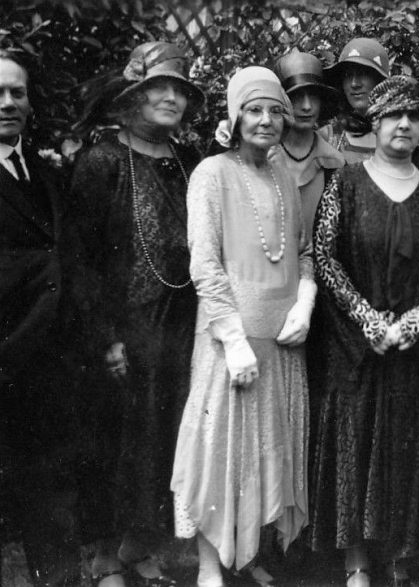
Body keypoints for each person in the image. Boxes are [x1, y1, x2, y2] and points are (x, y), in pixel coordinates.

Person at [307, 75, 419, 587]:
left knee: (408, 448)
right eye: (393, 115)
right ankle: (356, 561)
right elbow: (326, 258)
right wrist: (368, 320)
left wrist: (416, 321)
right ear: (374, 124)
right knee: (355, 445)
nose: (403, 124)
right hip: (356, 346)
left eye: (414, 116)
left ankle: (400, 554)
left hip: (416, 347)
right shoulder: (346, 184)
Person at [170, 66, 315, 587]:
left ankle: (248, 554)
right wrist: (233, 341)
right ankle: (210, 566)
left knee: (266, 453)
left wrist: (305, 303)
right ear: (234, 116)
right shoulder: (211, 173)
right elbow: (204, 264)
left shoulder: (284, 177)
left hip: (283, 343)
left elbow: (303, 253)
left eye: (276, 111)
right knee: (221, 452)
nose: (266, 120)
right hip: (230, 341)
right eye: (254, 110)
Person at [68, 41, 205, 587]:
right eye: (158, 88)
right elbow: (81, 260)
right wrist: (105, 337)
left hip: (180, 322)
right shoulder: (101, 161)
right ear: (132, 96)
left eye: (180, 91)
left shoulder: (190, 161)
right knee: (115, 438)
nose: (171, 98)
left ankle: (140, 545)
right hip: (125, 326)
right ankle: (104, 555)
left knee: (166, 435)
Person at [0, 49, 76, 585]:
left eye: (17, 93)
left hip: (48, 357)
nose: (7, 103)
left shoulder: (46, 173)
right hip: (4, 351)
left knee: (50, 490)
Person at [271, 50, 346, 240]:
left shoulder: (334, 163)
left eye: (313, 96)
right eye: (296, 96)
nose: (306, 106)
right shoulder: (262, 157)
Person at [322, 38, 391, 163]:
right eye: (348, 75)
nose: (354, 84)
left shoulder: (402, 136)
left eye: (363, 73)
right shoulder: (327, 138)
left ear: (380, 80)